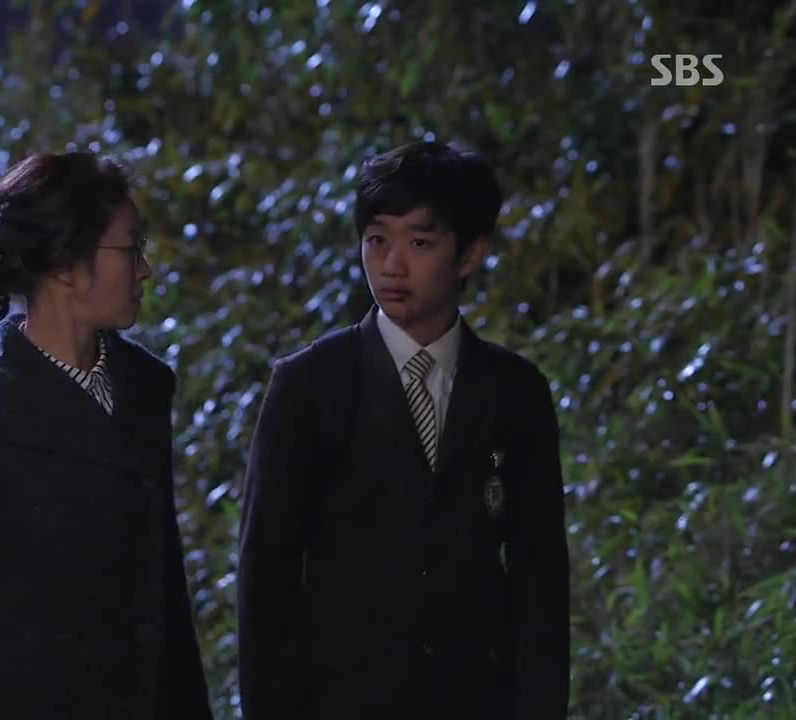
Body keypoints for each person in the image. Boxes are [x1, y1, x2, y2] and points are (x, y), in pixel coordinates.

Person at [236, 140, 570, 719]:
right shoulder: (310, 385)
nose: (391, 265)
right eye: (376, 240)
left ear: (470, 254)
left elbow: (540, 579)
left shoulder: (515, 392)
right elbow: (266, 579)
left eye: (419, 243)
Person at [0, 151, 212, 719]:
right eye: (131, 249)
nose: (145, 269)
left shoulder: (144, 389)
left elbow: (163, 600)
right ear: (66, 264)